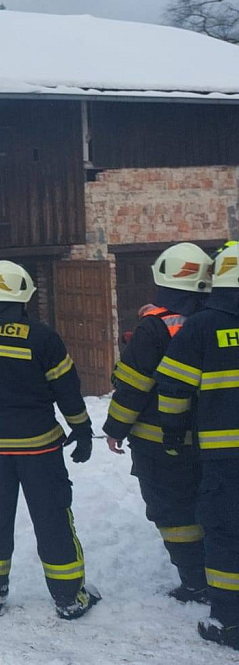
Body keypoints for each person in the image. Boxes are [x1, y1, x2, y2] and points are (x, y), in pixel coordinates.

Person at [0, 260, 101, 619]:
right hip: (39, 449)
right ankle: (68, 598)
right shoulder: (41, 337)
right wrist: (82, 429)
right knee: (52, 518)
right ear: (22, 295)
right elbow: (67, 390)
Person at [102, 242, 213, 604]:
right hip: (214, 439)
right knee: (213, 505)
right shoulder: (219, 318)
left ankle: (195, 582)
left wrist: (115, 428)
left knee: (173, 511)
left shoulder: (155, 327)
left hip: (160, 442)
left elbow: (134, 385)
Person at [154, 242, 239, 650]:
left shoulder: (202, 327)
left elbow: (173, 389)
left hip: (225, 459)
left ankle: (229, 623)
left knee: (225, 534)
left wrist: (172, 432)